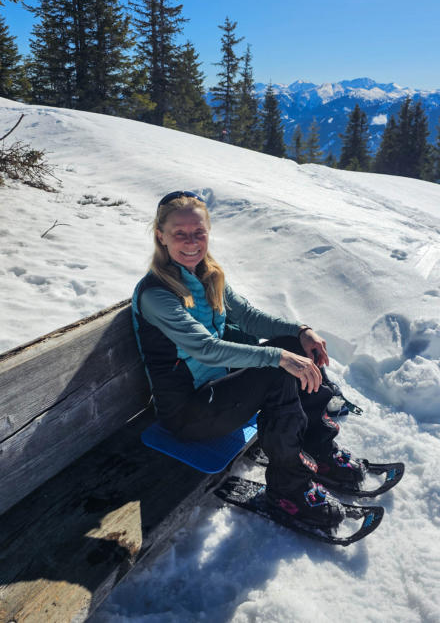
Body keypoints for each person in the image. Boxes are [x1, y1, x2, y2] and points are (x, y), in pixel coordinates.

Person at [132, 190, 365, 529]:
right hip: (187, 414)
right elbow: (206, 348)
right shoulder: (157, 294)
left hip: (219, 391)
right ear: (161, 236)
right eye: (179, 233)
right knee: (277, 370)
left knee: (293, 347)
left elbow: (250, 318)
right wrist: (278, 357)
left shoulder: (207, 276)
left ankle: (317, 447)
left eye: (199, 232)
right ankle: (289, 491)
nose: (191, 242)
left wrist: (300, 332)